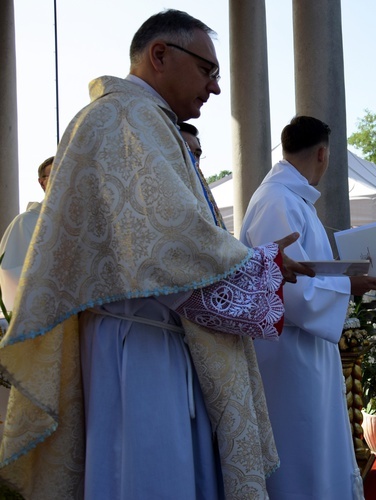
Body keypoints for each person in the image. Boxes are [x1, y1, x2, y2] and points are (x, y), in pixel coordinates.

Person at [0, 10, 314, 499]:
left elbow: (176, 237)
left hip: (149, 334)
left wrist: (253, 264)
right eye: (207, 70)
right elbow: (171, 247)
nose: (214, 88)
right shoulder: (127, 117)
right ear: (160, 55)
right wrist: (261, 267)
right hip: (142, 347)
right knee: (150, 473)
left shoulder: (139, 119)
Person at [240, 115, 376, 500]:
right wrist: (347, 284)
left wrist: (342, 280)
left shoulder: (292, 199)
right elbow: (289, 291)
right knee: (301, 453)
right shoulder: (277, 201)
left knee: (316, 449)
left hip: (304, 352)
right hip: (288, 357)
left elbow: (302, 272)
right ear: (323, 154)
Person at [0, 156, 53, 317]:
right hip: (43, 316)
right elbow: (11, 273)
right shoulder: (27, 223)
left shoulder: (86, 223)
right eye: (55, 174)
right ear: (42, 182)